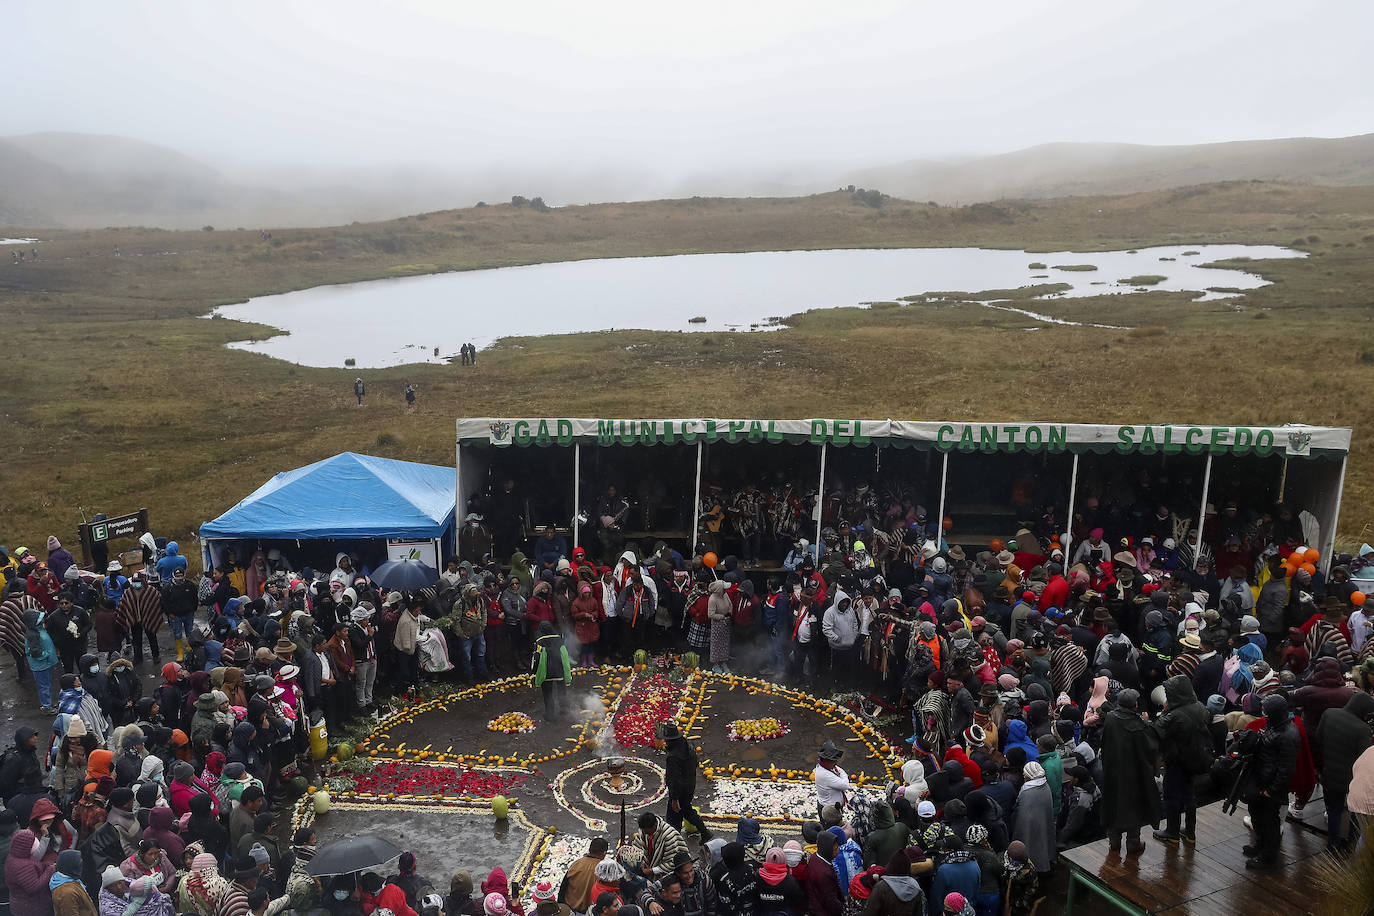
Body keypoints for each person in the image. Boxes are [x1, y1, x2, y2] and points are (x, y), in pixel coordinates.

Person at [1098, 688, 1159, 855]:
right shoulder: (1139, 725)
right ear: (1134, 705)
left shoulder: (1110, 719)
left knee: (1113, 804)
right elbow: (1149, 748)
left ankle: (1114, 842)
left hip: (1112, 772)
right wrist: (1147, 723)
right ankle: (1133, 842)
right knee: (1133, 807)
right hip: (1133, 775)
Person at [1151, 674, 1211, 844]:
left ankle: (1172, 832)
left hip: (1177, 760)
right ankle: (1190, 832)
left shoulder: (1174, 716)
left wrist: (1164, 711)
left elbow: (1157, 731)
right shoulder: (1199, 706)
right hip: (1195, 758)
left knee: (1172, 795)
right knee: (1189, 794)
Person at [1243, 694, 1299, 870]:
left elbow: (1287, 769)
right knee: (1257, 816)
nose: (1263, 713)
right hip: (1260, 779)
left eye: (1266, 710)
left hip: (1271, 786)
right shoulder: (1273, 725)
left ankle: (1268, 856)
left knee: (1270, 822)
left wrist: (1272, 790)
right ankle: (1260, 845)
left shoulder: (1288, 735)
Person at [1313, 691, 1374, 851]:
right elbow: (1365, 756)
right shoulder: (1363, 729)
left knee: (1333, 810)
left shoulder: (1329, 713)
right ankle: (1351, 844)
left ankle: (1332, 844)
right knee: (1354, 811)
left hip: (1329, 772)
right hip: (1351, 777)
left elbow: (1319, 737)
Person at [661, 724, 711, 842]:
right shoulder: (688, 744)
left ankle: (674, 841)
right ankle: (704, 832)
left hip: (680, 790)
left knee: (674, 817)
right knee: (686, 811)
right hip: (690, 784)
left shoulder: (673, 757)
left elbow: (674, 779)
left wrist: (674, 798)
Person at [1009, 762, 1054, 876]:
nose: (1023, 776)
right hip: (1042, 822)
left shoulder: (1027, 792)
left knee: (1030, 844)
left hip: (1030, 826)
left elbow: (1021, 812)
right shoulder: (1045, 786)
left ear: (1030, 775)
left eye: (1025, 774)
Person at [532, 621, 572, 720]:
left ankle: (550, 714)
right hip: (559, 670)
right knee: (562, 690)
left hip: (546, 672)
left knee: (547, 693)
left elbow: (536, 658)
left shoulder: (539, 642)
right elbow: (565, 657)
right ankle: (564, 709)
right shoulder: (560, 640)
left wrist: (534, 672)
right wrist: (567, 673)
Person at [558, 837, 606, 914]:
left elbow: (563, 887)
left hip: (569, 908)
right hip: (589, 912)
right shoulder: (603, 869)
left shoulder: (577, 864)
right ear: (603, 854)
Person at [802, 831, 842, 916]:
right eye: (835, 850)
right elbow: (830, 901)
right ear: (827, 849)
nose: (838, 852)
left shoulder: (815, 857)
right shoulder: (824, 874)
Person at [813, 741, 852, 817]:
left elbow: (837, 769)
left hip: (832, 807)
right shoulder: (825, 774)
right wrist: (844, 774)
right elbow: (845, 785)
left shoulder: (825, 767)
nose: (836, 762)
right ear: (827, 761)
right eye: (834, 760)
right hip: (830, 811)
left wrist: (840, 771)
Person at [50, 849, 94, 916]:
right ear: (70, 865)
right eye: (79, 862)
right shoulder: (67, 893)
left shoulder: (67, 879)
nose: (81, 864)